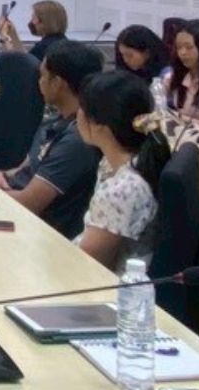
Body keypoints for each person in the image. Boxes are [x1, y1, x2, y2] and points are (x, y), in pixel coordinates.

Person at [0, 42, 106, 237]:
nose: (39, 82)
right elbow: (24, 168)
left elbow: (29, 203)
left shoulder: (76, 140)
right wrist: (0, 175)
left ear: (58, 83)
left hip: (37, 232)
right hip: (16, 210)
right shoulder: (56, 120)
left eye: (42, 76)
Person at [68, 70, 171, 271]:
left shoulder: (123, 189)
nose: (77, 114)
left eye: (82, 108)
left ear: (100, 126)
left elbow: (92, 264)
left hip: (105, 281)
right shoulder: (115, 163)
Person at [0, 0, 69, 61]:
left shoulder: (44, 47)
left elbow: (20, 64)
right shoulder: (62, 42)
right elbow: (26, 57)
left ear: (44, 22)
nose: (31, 22)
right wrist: (13, 34)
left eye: (33, 18)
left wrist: (4, 37)